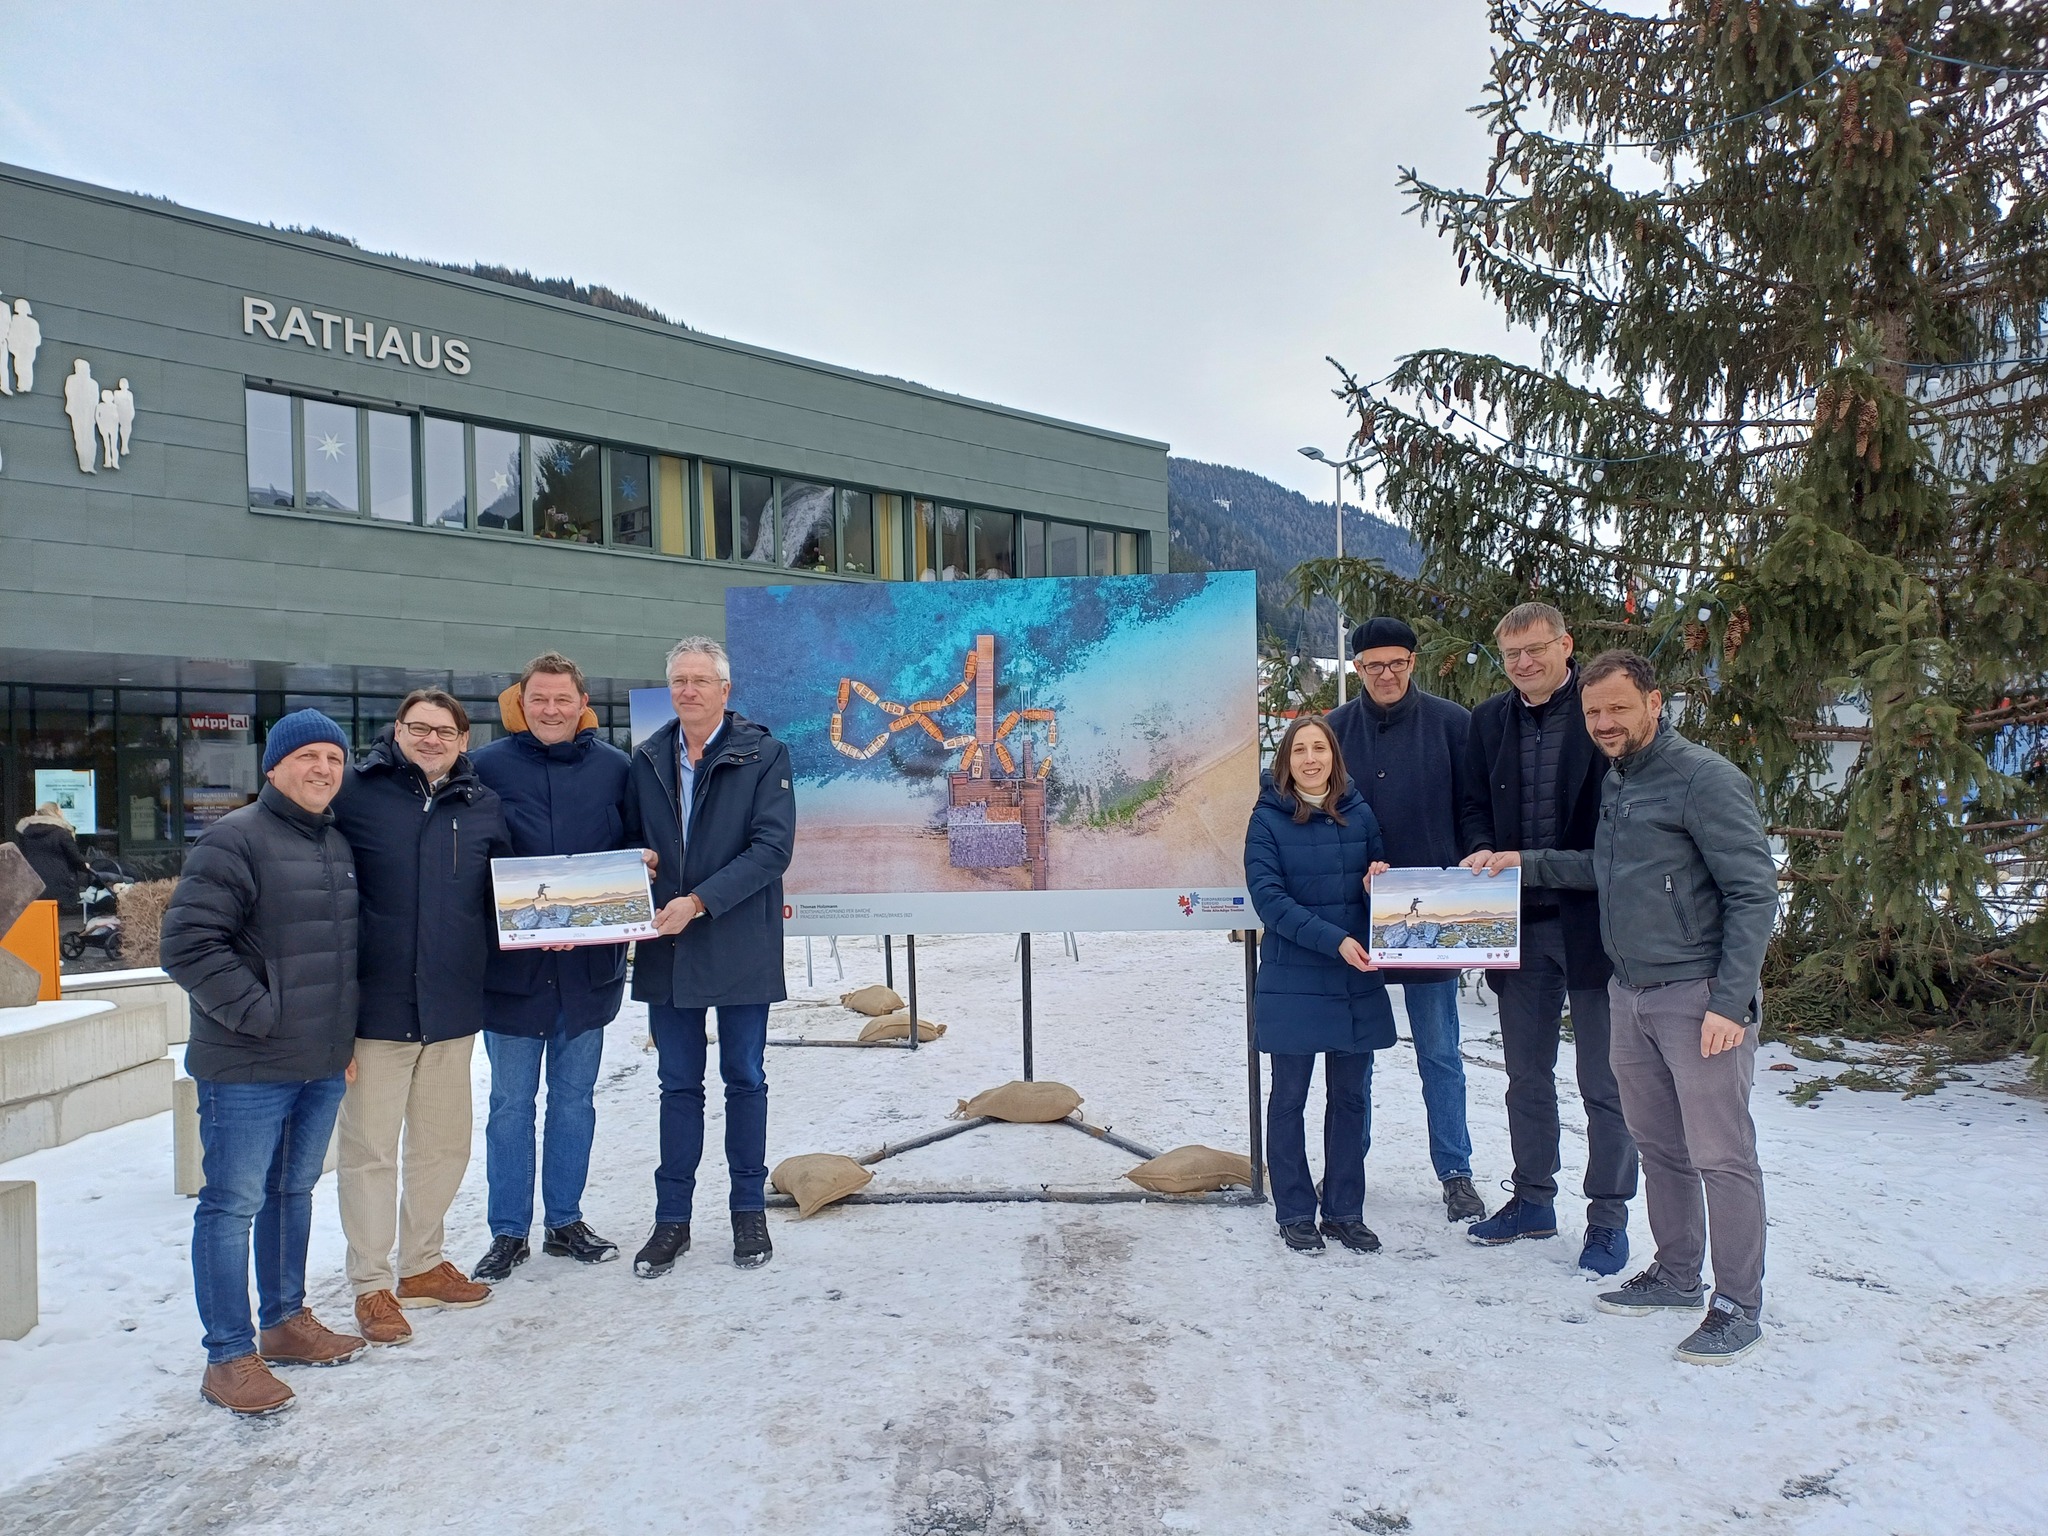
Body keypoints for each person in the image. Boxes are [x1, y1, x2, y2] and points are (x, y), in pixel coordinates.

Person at [1469, 650, 1776, 1364]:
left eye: (1618, 708)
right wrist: (1522, 861)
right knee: (1662, 1148)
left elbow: (1754, 894)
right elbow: (1602, 870)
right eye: (1594, 712)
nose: (1605, 722)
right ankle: (1675, 1273)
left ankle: (1737, 1303)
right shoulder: (1619, 781)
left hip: (1697, 998)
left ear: (1654, 702)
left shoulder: (1703, 779)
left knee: (1722, 1155)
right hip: (1627, 992)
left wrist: (1730, 1002)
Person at [159, 709, 369, 1416]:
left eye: (334, 759)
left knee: (292, 1193)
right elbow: (188, 948)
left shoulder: (333, 841)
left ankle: (284, 1322)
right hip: (247, 1065)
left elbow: (334, 958)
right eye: (307, 756)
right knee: (233, 1205)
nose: (323, 770)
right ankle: (227, 1356)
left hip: (317, 1063)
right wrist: (264, 1018)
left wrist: (334, 1044)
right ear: (273, 767)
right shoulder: (233, 840)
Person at [1457, 601, 1640, 1276]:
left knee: (1605, 1081)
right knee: (1525, 1076)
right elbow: (1473, 807)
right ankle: (1533, 1199)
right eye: (1512, 655)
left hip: (1593, 924)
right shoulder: (1486, 723)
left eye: (1536, 650)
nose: (1525, 664)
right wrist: (1479, 850)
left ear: (1568, 646)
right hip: (1515, 926)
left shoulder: (1598, 719)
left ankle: (1608, 1217)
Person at [330, 690, 510, 1346]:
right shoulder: (355, 795)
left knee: (442, 1146)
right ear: (397, 731)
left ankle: (423, 1265)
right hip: (376, 1010)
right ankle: (372, 1284)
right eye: (418, 728)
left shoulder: (483, 805)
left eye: (444, 730)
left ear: (464, 739)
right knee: (370, 1152)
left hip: (453, 1008)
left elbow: (514, 897)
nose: (431, 739)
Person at [626, 638, 796, 1277]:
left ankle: (748, 1209)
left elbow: (771, 849)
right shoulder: (644, 758)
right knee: (677, 1084)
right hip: (668, 947)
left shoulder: (765, 753)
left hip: (738, 939)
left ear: (726, 690)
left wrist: (698, 901)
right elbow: (629, 837)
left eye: (701, 680)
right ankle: (672, 1220)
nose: (689, 691)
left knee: (745, 1078)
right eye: (679, 681)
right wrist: (635, 859)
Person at [468, 652, 634, 1280]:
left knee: (574, 1100)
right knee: (511, 1104)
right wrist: (513, 919)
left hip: (588, 971)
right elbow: (467, 865)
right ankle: (508, 1232)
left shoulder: (617, 769)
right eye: (539, 698)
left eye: (563, 699)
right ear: (522, 700)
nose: (551, 710)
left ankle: (564, 1220)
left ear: (581, 702)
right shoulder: (483, 768)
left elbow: (637, 855)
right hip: (511, 974)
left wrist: (611, 900)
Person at [1323, 616, 1488, 1224]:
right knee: (1353, 1053)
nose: (1385, 675)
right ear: (1357, 669)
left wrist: (1474, 857)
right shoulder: (1334, 732)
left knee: (1440, 1051)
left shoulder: (1452, 724)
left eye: (1395, 663)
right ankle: (1348, 1167)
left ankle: (1456, 1172)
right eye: (1372, 666)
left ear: (1412, 664)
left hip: (1433, 910)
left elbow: (1475, 807)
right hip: (1356, 915)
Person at [1243, 715, 1397, 1255]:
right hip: (1295, 976)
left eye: (1321, 748)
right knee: (1289, 1098)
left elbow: (1380, 887)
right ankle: (1295, 1212)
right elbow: (1271, 902)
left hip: (1354, 977)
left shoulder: (1360, 813)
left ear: (1334, 756)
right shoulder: (1266, 821)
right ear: (1286, 761)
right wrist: (1334, 940)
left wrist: (1379, 884)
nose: (1311, 758)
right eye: (1300, 750)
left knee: (1351, 1098)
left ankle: (1344, 1210)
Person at [14, 803, 91, 908]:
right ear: (56, 812)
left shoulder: (26, 833)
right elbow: (75, 857)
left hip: (34, 881)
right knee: (60, 917)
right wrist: (84, 865)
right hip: (60, 882)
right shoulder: (61, 833)